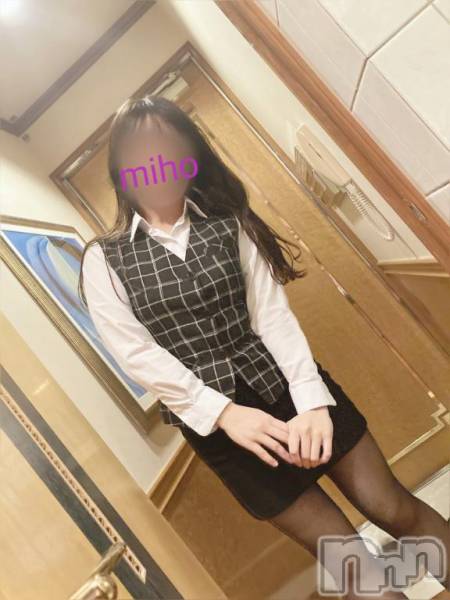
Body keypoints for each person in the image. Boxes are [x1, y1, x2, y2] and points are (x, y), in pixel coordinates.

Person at [79, 96, 449, 598]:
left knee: (393, 507)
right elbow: (137, 354)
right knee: (347, 558)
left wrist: (311, 400)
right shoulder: (104, 259)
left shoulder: (227, 222)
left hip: (290, 387)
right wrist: (224, 413)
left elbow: (271, 316)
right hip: (221, 428)